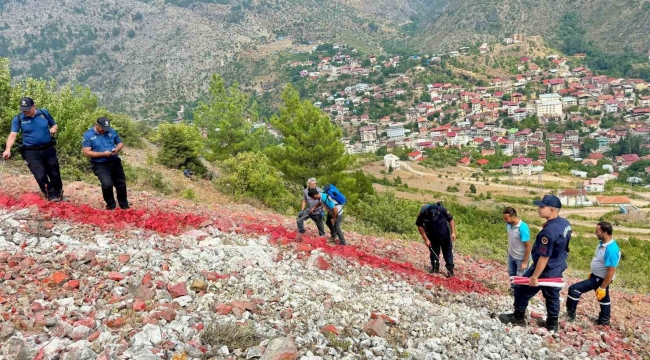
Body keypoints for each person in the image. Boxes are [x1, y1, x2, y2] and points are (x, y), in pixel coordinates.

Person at [499, 194, 572, 332]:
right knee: (552, 295)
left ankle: (518, 317)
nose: (538, 209)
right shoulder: (565, 224)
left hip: (544, 268)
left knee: (521, 289)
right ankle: (552, 324)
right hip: (557, 266)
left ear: (552, 210)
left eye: (542, 207)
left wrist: (535, 277)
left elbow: (544, 257)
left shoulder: (548, 232)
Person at [2, 97, 63, 201]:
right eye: (23, 109)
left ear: (34, 106)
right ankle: (51, 195)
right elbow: (12, 135)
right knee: (40, 174)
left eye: (27, 109)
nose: (25, 111)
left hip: (48, 148)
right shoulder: (18, 119)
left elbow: (54, 124)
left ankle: (58, 192)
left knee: (54, 171)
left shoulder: (44, 113)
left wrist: (53, 129)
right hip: (31, 151)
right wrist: (8, 149)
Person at [566, 222, 620, 326]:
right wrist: (593, 273)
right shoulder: (602, 244)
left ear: (604, 233)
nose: (595, 233)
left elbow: (611, 271)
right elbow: (600, 262)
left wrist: (603, 287)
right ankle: (604, 320)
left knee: (574, 289)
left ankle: (570, 315)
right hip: (596, 276)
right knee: (603, 298)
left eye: (597, 231)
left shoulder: (611, 249)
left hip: (601, 279)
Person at [82, 117, 130, 210]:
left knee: (121, 184)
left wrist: (117, 149)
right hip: (100, 164)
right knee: (107, 184)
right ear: (97, 126)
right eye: (103, 128)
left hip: (115, 161)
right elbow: (86, 152)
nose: (105, 130)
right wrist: (103, 154)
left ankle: (124, 205)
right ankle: (111, 205)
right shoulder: (88, 135)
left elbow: (120, 143)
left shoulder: (111, 131)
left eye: (106, 128)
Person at [416, 202, 457, 277]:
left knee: (448, 253)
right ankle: (435, 269)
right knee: (434, 253)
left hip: (445, 235)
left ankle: (450, 271)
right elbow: (419, 226)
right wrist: (426, 239)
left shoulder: (442, 210)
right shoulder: (423, 213)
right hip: (432, 236)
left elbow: (451, 219)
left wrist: (453, 232)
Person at [503, 206, 532, 294]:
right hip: (511, 255)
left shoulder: (523, 228)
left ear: (513, 217)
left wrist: (525, 262)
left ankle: (520, 293)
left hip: (521, 258)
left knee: (520, 276)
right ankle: (513, 288)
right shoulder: (509, 225)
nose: (505, 220)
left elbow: (528, 246)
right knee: (512, 273)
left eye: (506, 218)